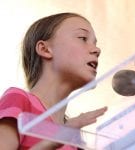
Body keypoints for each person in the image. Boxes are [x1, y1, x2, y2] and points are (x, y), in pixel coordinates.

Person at [0, 12, 107, 150]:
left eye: (95, 43)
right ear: (45, 49)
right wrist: (54, 141)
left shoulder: (75, 139)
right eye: (82, 38)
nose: (97, 50)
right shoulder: (18, 99)